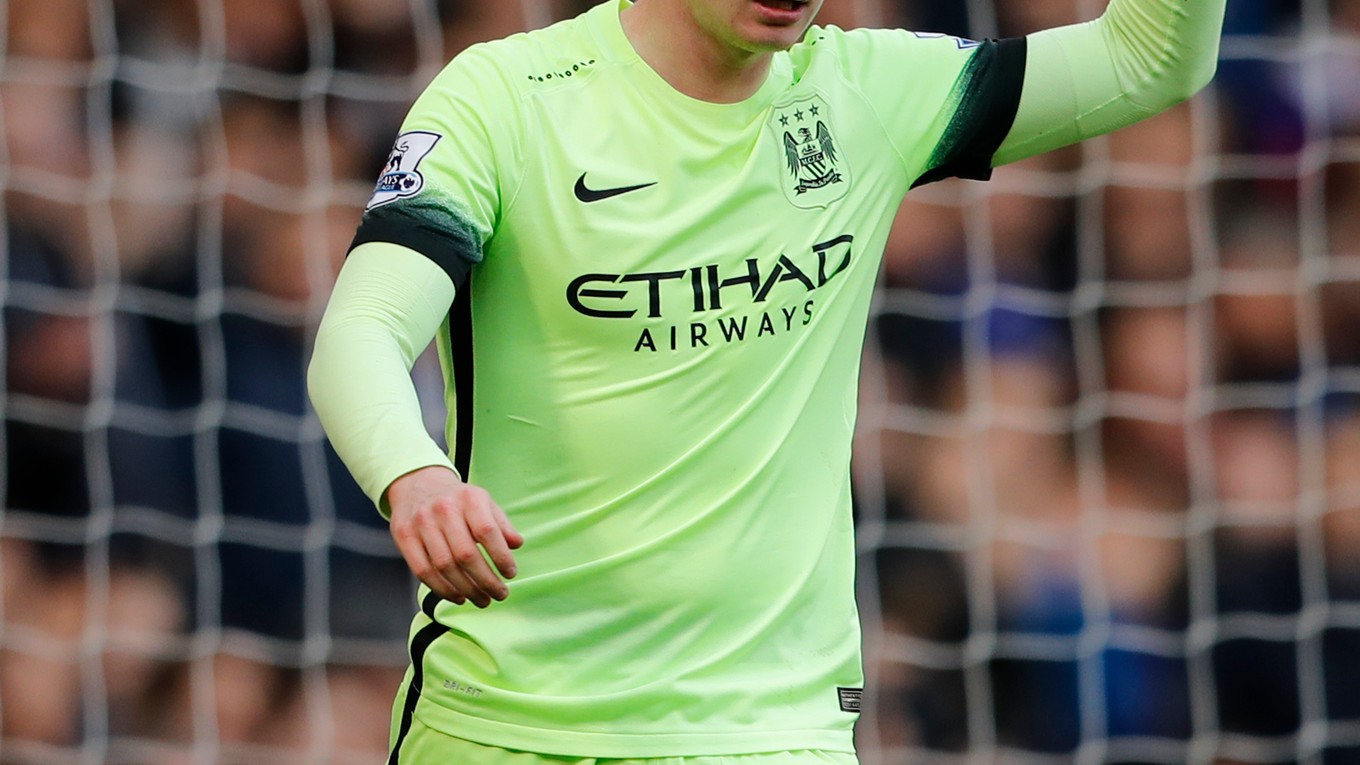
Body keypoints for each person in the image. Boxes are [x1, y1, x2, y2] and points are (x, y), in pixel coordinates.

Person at [307, 0, 1227, 761]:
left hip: (774, 729)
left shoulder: (867, 94)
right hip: (511, 722)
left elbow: (1152, 55)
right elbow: (360, 331)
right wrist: (413, 474)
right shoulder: (506, 99)